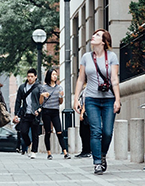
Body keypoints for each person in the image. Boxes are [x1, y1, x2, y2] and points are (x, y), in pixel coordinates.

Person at [74, 29, 121, 175]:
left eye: (98, 35)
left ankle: (102, 155)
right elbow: (81, 79)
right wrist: (76, 99)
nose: (93, 36)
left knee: (107, 132)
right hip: (91, 99)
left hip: (108, 99)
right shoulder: (86, 57)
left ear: (104, 41)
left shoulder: (112, 56)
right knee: (96, 131)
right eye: (93, 34)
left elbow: (114, 79)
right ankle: (97, 163)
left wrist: (118, 100)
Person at [39, 69, 71, 160]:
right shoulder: (43, 87)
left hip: (55, 111)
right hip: (46, 111)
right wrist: (42, 95)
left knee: (59, 131)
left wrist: (61, 96)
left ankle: (65, 152)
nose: (55, 76)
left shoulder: (59, 88)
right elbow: (41, 102)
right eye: (53, 74)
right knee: (48, 132)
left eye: (56, 74)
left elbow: (60, 102)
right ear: (49, 76)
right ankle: (49, 153)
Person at [13, 69, 42, 159]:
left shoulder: (39, 87)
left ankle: (34, 151)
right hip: (25, 113)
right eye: (28, 76)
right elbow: (18, 101)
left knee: (35, 133)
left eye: (32, 76)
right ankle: (29, 144)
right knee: (23, 131)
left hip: (35, 114)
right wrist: (16, 114)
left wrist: (39, 110)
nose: (30, 78)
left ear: (35, 77)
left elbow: (42, 101)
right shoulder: (22, 87)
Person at [75, 91, 92, 158]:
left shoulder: (88, 89)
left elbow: (86, 101)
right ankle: (85, 150)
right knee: (82, 133)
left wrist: (82, 113)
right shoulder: (84, 90)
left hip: (86, 113)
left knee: (85, 133)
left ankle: (87, 151)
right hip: (85, 112)